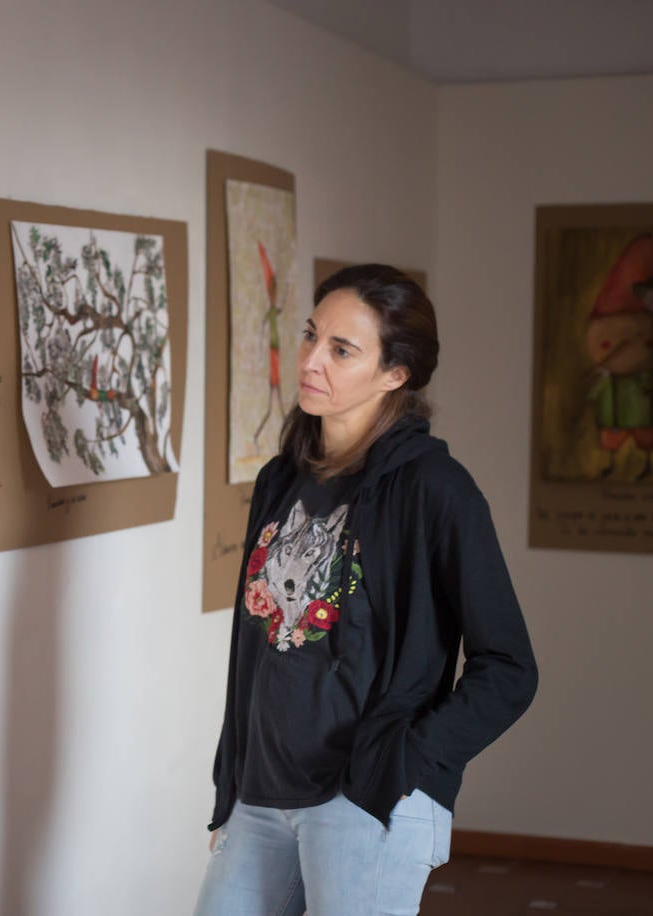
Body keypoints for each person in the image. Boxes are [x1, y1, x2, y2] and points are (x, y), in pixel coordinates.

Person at [195, 264, 538, 915]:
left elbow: (510, 669)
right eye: (310, 336)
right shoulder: (279, 479)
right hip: (261, 798)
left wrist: (405, 764)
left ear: (395, 373)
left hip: (366, 802)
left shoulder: (437, 491)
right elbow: (258, 647)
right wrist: (229, 788)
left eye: (341, 349)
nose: (311, 360)